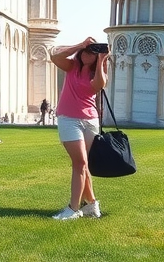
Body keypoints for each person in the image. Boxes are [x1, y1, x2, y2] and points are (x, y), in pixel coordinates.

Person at [49, 37, 108, 220]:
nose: (87, 54)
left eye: (92, 52)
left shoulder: (97, 70)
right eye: (86, 51)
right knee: (81, 163)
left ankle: (90, 205)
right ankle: (74, 208)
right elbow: (55, 56)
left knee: (83, 164)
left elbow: (98, 85)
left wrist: (101, 60)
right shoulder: (72, 66)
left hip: (90, 120)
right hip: (69, 119)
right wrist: (80, 45)